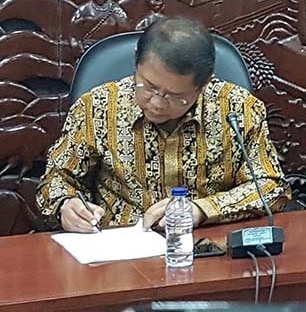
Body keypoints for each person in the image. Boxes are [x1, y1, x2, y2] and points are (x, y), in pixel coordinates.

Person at [37, 18, 290, 233]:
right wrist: (65, 205)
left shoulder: (238, 109)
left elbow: (271, 187)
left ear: (203, 86)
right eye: (148, 86)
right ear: (137, 64)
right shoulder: (97, 107)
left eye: (175, 96)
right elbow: (56, 179)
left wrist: (202, 210)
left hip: (207, 249)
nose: (157, 103)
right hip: (120, 252)